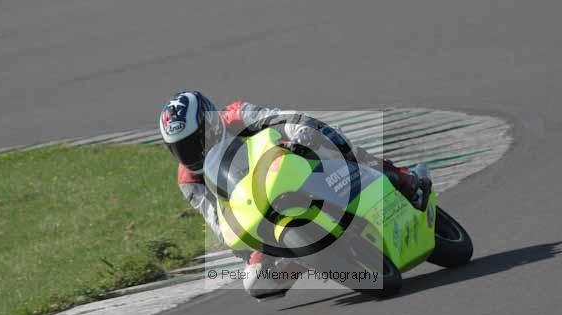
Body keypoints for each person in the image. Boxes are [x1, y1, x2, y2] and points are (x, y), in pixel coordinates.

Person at [159, 91, 431, 299]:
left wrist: (299, 130)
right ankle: (307, 257)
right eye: (180, 148)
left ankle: (401, 177)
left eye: (193, 142)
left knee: (330, 141)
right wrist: (249, 249)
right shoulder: (188, 180)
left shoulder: (235, 115)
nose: (189, 153)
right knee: (255, 282)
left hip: (289, 163)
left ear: (208, 124)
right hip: (257, 210)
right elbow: (217, 221)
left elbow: (280, 118)